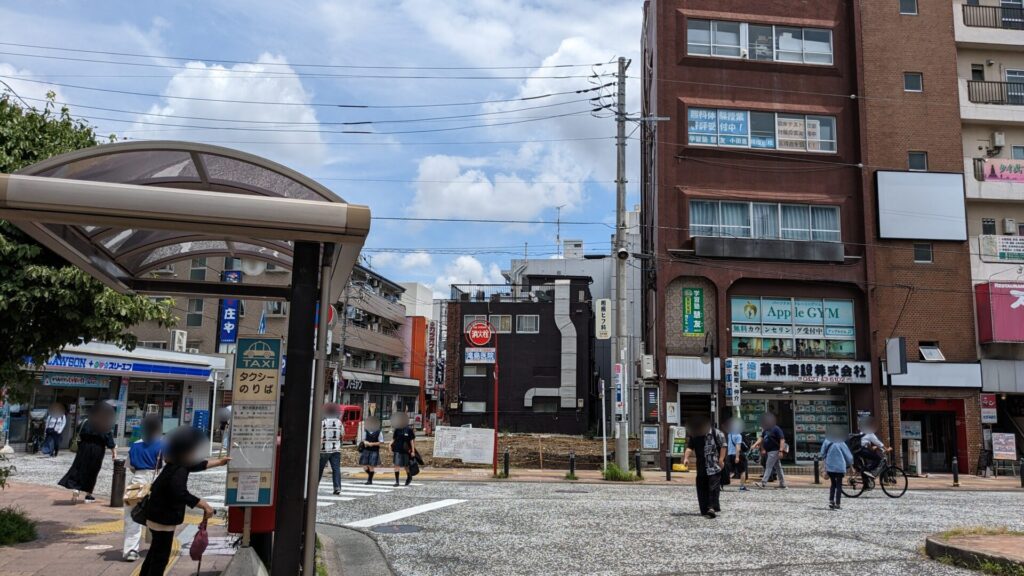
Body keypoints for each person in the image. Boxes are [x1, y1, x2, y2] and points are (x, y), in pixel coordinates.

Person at [138, 426, 229, 576]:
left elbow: (197, 465)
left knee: (154, 553)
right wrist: (204, 505)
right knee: (160, 558)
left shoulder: (176, 462)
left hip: (156, 514)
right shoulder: (179, 469)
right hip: (163, 518)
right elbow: (179, 492)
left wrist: (220, 462)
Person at [123, 415, 164, 562]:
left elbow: (130, 467)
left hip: (136, 483)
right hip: (155, 483)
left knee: (132, 517)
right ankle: (155, 547)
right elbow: (166, 466)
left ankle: (131, 550)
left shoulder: (135, 445)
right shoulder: (162, 445)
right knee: (156, 518)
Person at [58, 402, 116, 503]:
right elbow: (109, 440)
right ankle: (89, 495)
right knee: (93, 471)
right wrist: (114, 453)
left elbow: (78, 431)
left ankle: (76, 488)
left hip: (83, 448)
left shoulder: (85, 422)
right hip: (97, 449)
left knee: (79, 467)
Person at [683, 415, 726, 519]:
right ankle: (704, 509)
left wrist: (721, 459)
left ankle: (711, 508)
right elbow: (690, 447)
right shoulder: (695, 435)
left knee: (713, 487)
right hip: (701, 466)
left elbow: (723, 446)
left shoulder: (717, 433)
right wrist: (686, 458)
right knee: (701, 488)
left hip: (714, 465)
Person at [820, 426, 854, 510]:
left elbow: (822, 453)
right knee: (839, 485)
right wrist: (851, 465)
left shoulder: (826, 441)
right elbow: (848, 456)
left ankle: (831, 501)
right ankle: (838, 503)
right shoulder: (841, 442)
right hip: (840, 467)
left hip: (830, 466)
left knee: (833, 484)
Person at [752, 413, 787, 489]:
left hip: (774, 451)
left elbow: (782, 439)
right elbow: (761, 438)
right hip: (770, 451)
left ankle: (763, 483)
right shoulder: (766, 430)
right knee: (778, 468)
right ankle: (783, 484)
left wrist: (781, 450)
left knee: (768, 466)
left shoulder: (776, 429)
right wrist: (755, 444)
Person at [318, 404, 343, 495]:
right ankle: (337, 487)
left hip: (324, 449)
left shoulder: (323, 422)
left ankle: (314, 486)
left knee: (319, 469)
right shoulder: (339, 422)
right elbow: (342, 434)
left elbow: (320, 436)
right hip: (336, 449)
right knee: (336, 469)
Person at [390, 412, 416, 487]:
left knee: (406, 466)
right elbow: (394, 439)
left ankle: (409, 476)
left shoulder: (409, 430)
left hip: (406, 450)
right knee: (396, 465)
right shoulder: (397, 429)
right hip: (397, 450)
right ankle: (397, 482)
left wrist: (413, 451)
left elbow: (412, 441)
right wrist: (390, 445)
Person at [725, 418, 748, 491]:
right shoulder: (738, 435)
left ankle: (720, 484)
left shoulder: (729, 434)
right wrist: (737, 457)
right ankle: (742, 486)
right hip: (736, 455)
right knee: (742, 471)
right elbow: (738, 447)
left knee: (729, 471)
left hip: (729, 455)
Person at [360, 416, 383, 485]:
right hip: (366, 449)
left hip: (374, 450)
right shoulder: (366, 431)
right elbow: (363, 439)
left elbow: (381, 442)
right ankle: (371, 475)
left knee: (371, 466)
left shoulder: (379, 432)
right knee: (364, 466)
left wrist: (372, 444)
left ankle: (369, 480)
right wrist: (365, 442)